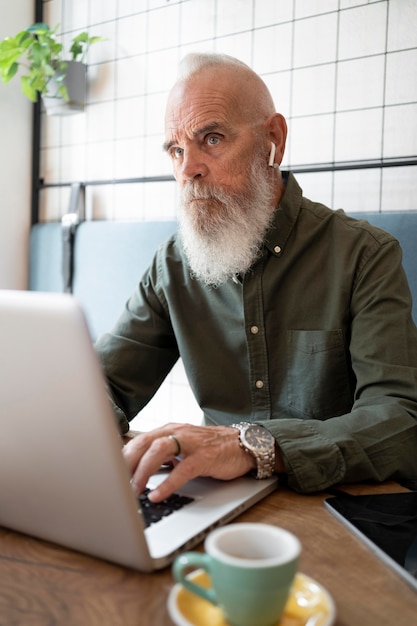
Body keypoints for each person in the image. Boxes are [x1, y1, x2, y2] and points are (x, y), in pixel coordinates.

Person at [95, 52, 417, 503]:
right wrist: (71, 430)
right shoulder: (173, 265)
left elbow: (400, 420)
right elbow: (101, 385)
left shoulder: (365, 255)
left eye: (211, 138)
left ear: (274, 140)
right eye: (176, 149)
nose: (189, 170)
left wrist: (252, 446)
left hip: (337, 508)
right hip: (209, 503)